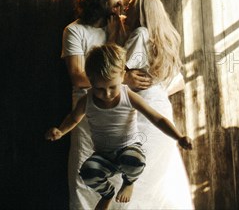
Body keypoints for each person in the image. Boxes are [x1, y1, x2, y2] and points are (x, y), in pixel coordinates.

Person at [47, 44, 192, 210]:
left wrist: (179, 137)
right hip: (104, 156)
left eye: (112, 87)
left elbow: (157, 118)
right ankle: (107, 194)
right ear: (91, 81)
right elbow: (73, 119)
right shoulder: (87, 100)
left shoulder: (127, 96)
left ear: (123, 76)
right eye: (100, 89)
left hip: (127, 148)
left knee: (136, 160)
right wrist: (60, 131)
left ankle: (129, 182)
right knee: (87, 172)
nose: (107, 94)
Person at [61, 0, 151, 210]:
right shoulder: (74, 30)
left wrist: (114, 38)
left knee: (125, 169)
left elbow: (129, 62)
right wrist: (123, 80)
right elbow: (78, 77)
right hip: (86, 110)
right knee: (84, 170)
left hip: (119, 110)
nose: (121, 2)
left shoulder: (121, 28)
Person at [121, 0, 195, 209]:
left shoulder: (141, 34)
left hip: (142, 110)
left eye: (131, 5)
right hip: (162, 107)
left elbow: (117, 72)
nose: (126, 8)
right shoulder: (166, 39)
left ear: (141, 10)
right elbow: (174, 80)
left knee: (135, 176)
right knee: (159, 174)